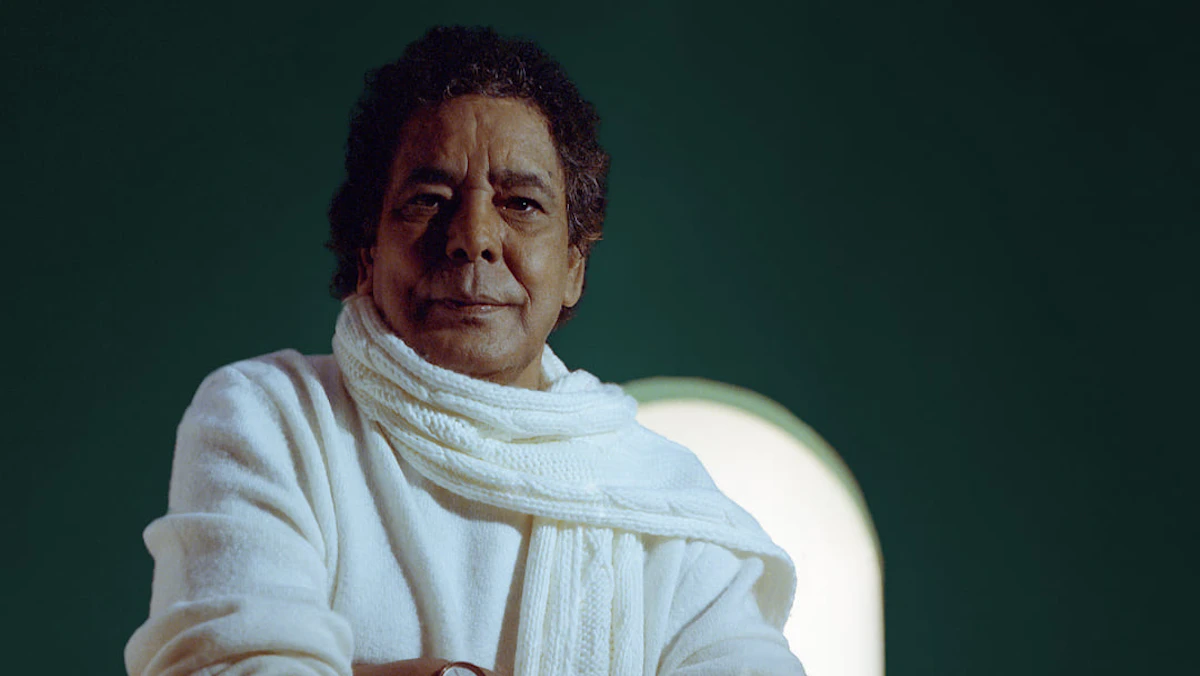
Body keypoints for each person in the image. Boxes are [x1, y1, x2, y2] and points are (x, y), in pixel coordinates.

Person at [125, 25, 805, 676]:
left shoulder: (662, 502)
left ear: (574, 266)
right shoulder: (274, 418)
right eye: (428, 199)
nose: (473, 237)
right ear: (366, 251)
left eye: (521, 204)